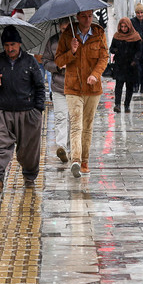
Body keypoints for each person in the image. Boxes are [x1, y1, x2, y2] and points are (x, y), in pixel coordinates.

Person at [0, 26, 45, 193]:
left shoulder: (30, 61)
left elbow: (40, 86)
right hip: (1, 111)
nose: (10, 49)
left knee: (29, 150)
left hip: (28, 112)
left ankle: (29, 176)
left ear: (19, 44)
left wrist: (38, 111)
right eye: (7, 45)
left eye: (13, 44)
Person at [55, 10, 109, 178]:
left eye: (90, 16)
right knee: (76, 123)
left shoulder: (99, 33)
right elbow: (58, 61)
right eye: (84, 16)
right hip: (73, 87)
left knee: (88, 126)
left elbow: (104, 57)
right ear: (77, 17)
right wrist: (71, 51)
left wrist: (95, 74)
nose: (87, 19)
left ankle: (85, 161)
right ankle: (75, 160)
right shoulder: (67, 35)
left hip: (93, 89)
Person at [42, 19, 71, 163]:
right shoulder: (52, 42)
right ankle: (62, 147)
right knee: (60, 117)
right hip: (58, 86)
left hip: (75, 87)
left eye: (67, 26)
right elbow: (46, 62)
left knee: (73, 119)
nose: (64, 29)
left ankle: (72, 147)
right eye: (62, 27)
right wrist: (59, 66)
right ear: (59, 26)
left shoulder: (79, 40)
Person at [109, 17, 141, 113]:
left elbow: (139, 51)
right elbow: (111, 48)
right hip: (119, 65)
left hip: (131, 66)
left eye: (125, 27)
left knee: (129, 86)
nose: (123, 29)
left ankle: (127, 105)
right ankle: (117, 104)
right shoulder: (117, 36)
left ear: (129, 27)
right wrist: (115, 50)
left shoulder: (135, 37)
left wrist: (135, 60)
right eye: (122, 27)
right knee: (119, 85)